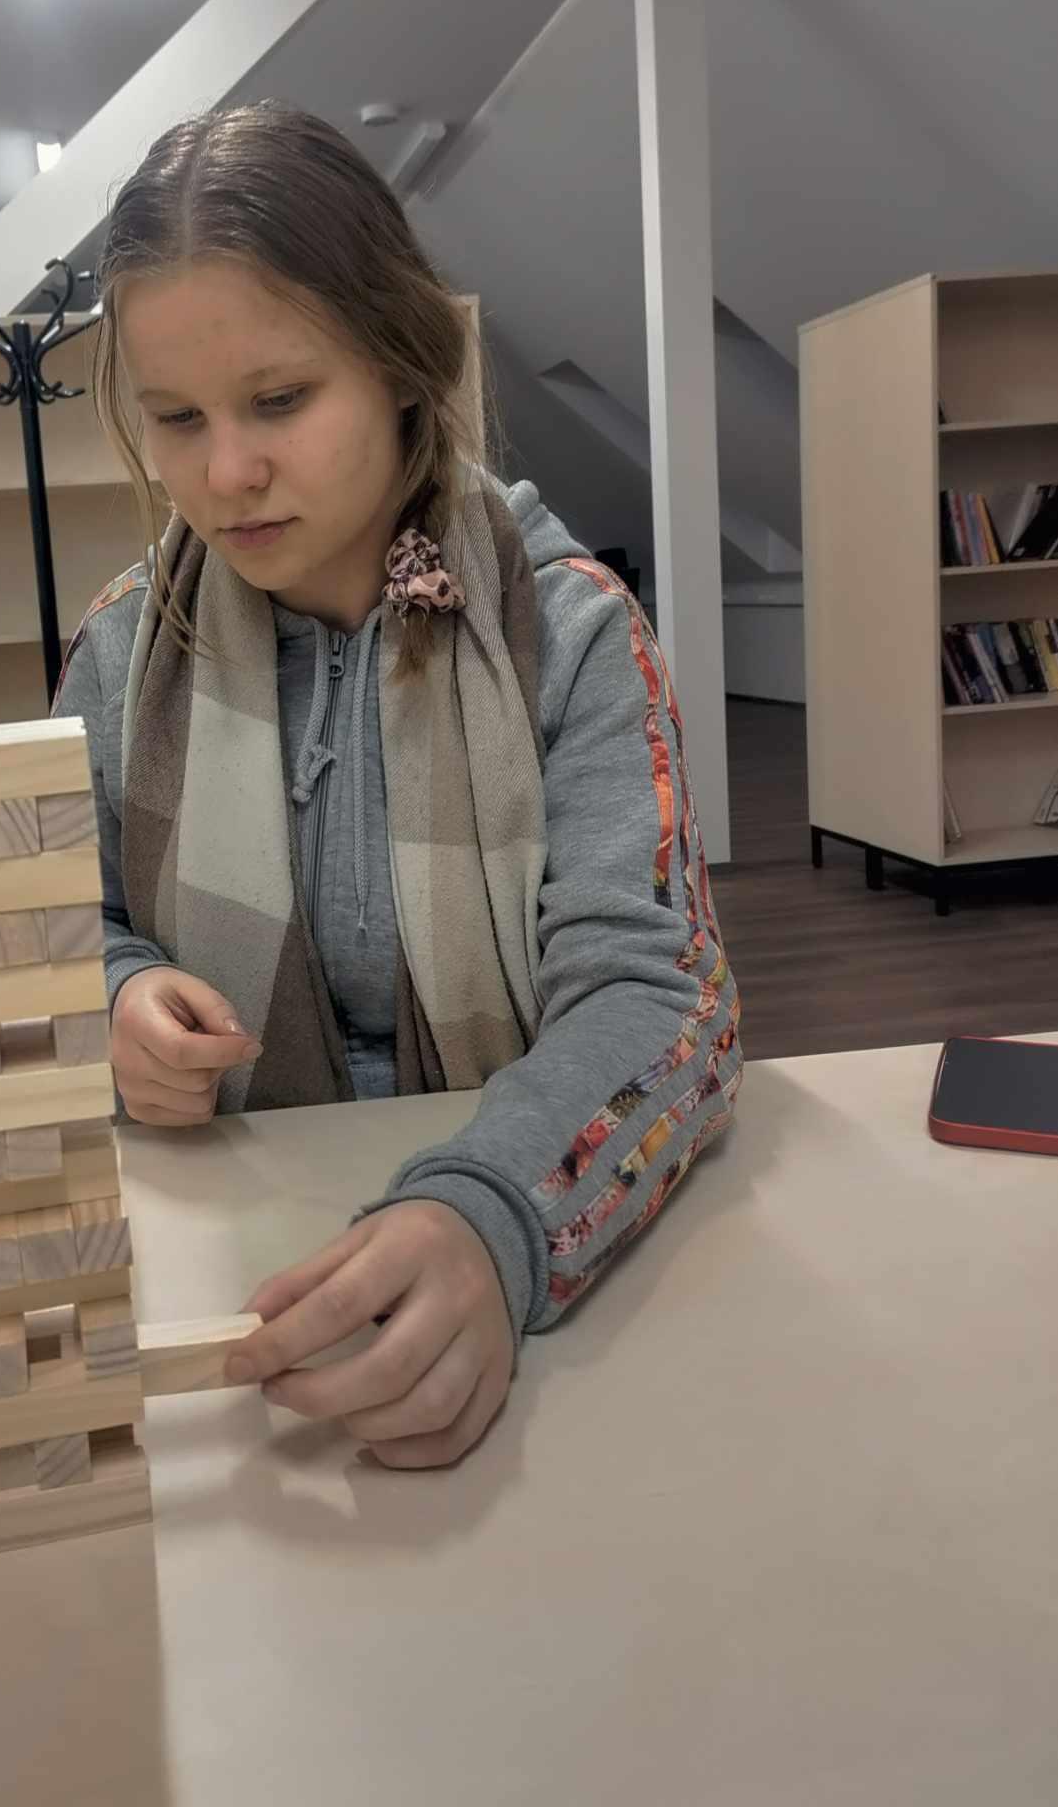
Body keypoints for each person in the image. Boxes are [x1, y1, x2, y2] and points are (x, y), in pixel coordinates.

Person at [54, 101, 742, 1469]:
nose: (225, 473)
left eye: (279, 401)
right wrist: (117, 995)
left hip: (533, 1239)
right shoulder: (124, 650)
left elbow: (662, 1000)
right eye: (176, 419)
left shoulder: (573, 630)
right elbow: (53, 931)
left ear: (399, 364)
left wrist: (491, 1214)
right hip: (218, 1270)